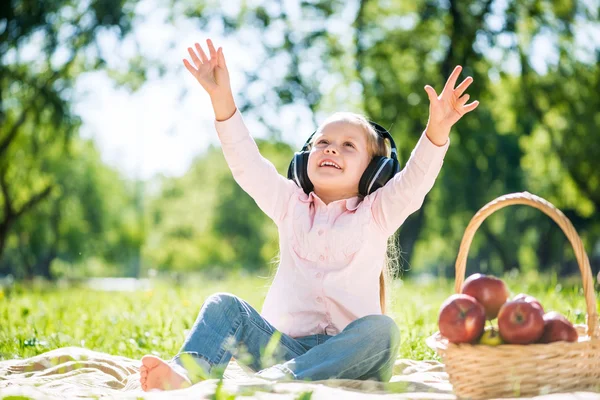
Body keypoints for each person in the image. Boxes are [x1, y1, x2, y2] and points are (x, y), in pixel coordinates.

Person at [139, 38, 479, 391]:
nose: (331, 147)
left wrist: (437, 129)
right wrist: (221, 99)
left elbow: (414, 181)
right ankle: (185, 374)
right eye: (322, 142)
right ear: (303, 160)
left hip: (350, 358)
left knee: (383, 331)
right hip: (278, 351)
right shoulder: (288, 204)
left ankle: (276, 383)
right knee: (224, 306)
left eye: (349, 145)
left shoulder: (378, 211)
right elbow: (246, 164)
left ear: (374, 172)